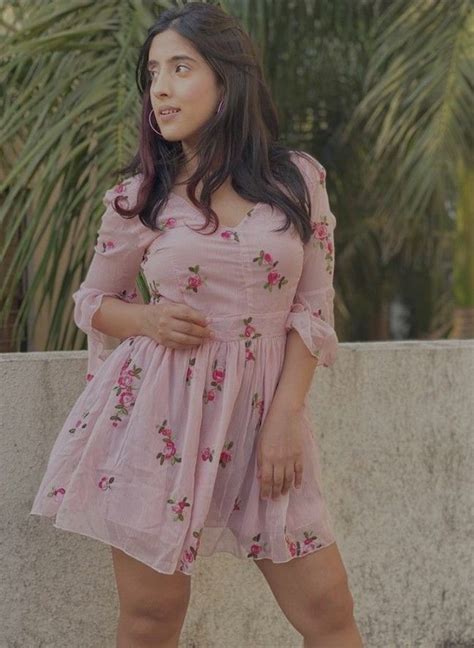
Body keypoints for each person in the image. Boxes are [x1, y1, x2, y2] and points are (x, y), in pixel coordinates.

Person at [30, 3, 364, 647]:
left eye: (181, 68)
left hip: (267, 415)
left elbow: (312, 309)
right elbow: (93, 302)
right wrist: (149, 319)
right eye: (153, 71)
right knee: (153, 618)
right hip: (158, 421)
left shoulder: (297, 180)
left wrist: (287, 418)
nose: (160, 87)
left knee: (327, 610)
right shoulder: (139, 196)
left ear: (228, 80)